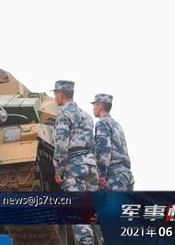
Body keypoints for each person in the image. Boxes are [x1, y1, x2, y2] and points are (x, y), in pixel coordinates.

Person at [52, 80, 98, 245]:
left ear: (61, 95)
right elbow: (93, 144)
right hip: (91, 166)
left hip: (75, 165)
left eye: (55, 93)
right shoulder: (86, 116)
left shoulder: (64, 114)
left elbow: (61, 145)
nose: (55, 96)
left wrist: (59, 170)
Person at [92, 93, 134, 191]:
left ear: (100, 106)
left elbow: (104, 150)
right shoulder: (117, 125)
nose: (93, 108)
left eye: (94, 105)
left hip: (114, 177)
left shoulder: (102, 123)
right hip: (126, 176)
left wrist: (101, 174)